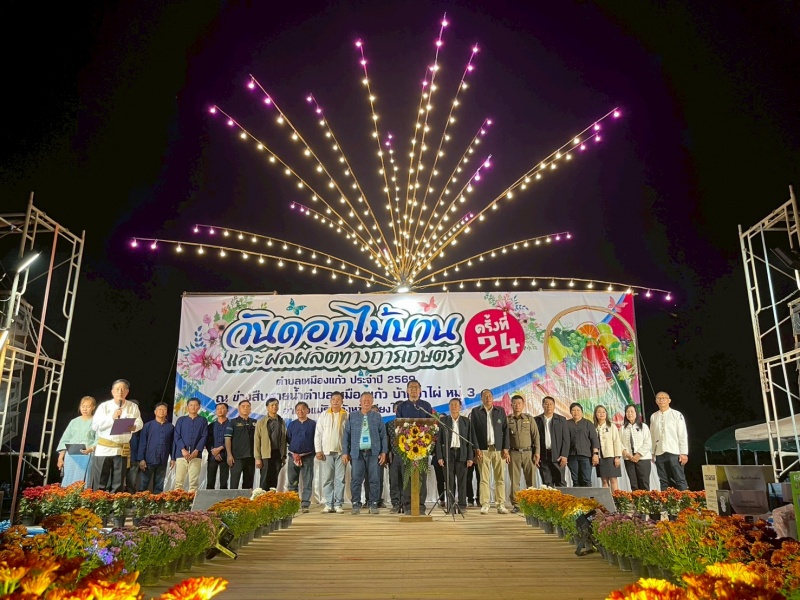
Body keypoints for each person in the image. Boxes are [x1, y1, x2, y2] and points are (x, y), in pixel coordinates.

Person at [90, 379, 143, 492]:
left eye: (123, 389)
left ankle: (115, 502)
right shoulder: (104, 406)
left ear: (127, 392)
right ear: (112, 392)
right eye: (117, 389)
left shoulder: (133, 406)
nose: (120, 391)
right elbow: (95, 426)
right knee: (100, 481)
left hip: (121, 449)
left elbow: (139, 423)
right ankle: (98, 501)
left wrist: (134, 427)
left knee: (118, 482)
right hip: (104, 449)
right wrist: (112, 418)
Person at [342, 392, 387, 514]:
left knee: (374, 479)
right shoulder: (352, 416)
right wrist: (345, 452)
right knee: (356, 479)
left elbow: (383, 436)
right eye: (364, 400)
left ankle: (373, 503)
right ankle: (355, 503)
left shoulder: (377, 416)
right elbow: (346, 435)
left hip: (373, 453)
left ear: (372, 402)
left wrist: (383, 452)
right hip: (357, 453)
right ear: (360, 402)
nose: (366, 402)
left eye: (369, 400)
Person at [469, 389, 510, 514]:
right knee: (484, 479)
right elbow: (473, 431)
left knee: (500, 479)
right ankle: (485, 504)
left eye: (490, 396)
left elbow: (506, 430)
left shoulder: (500, 410)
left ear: (493, 397)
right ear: (481, 398)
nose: (488, 398)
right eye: (485, 396)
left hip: (498, 450)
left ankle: (500, 504)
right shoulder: (476, 411)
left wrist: (506, 448)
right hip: (483, 450)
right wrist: (476, 448)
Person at [396, 379, 434, 512]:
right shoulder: (401, 407)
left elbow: (430, 426)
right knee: (407, 476)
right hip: (406, 448)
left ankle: (421, 505)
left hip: (422, 448)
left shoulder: (426, 405)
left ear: (420, 390)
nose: (413, 389)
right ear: (407, 390)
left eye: (416, 387)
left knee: (422, 476)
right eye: (411, 387)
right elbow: (399, 427)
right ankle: (407, 505)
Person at [434, 398, 476, 513]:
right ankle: (451, 505)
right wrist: (440, 457)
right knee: (449, 481)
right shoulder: (443, 421)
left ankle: (462, 505)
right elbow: (439, 441)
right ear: (449, 407)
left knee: (462, 481)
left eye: (456, 405)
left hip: (462, 454)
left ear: (460, 407)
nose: (454, 407)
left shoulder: (466, 421)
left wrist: (470, 457)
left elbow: (470, 440)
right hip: (448, 454)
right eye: (452, 405)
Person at [315, 391, 348, 513]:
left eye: (338, 399)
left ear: (342, 401)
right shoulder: (324, 415)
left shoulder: (346, 415)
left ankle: (338, 504)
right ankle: (329, 504)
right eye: (333, 399)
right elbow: (318, 434)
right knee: (327, 479)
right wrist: (318, 450)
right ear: (330, 401)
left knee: (340, 479)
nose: (335, 401)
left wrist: (347, 452)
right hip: (326, 453)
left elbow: (349, 435)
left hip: (341, 452)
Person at [507, 395, 541, 513]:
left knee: (531, 480)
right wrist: (506, 452)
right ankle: (516, 505)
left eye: (519, 403)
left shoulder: (529, 419)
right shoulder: (508, 419)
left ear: (523, 405)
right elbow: (505, 438)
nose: (517, 405)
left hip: (528, 453)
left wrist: (537, 453)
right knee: (514, 481)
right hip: (513, 453)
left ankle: (531, 504)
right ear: (511, 405)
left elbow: (536, 436)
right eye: (515, 403)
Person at [650, 391, 689, 491]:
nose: (661, 400)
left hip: (674, 451)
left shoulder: (676, 414)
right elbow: (652, 436)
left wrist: (684, 453)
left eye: (664, 398)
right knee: (663, 480)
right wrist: (652, 453)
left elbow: (682, 434)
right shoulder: (654, 416)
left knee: (679, 478)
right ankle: (666, 499)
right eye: (659, 398)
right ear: (656, 401)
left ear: (669, 400)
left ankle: (685, 499)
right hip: (659, 452)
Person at [56, 396, 97, 487]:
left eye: (88, 406)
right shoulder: (74, 422)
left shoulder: (96, 422)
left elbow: (98, 440)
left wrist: (90, 449)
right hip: (71, 456)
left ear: (93, 407)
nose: (85, 409)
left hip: (87, 455)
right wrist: (60, 458)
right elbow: (65, 440)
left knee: (83, 483)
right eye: (83, 406)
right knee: (69, 482)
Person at [136, 402, 174, 493]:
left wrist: (173, 458)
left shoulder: (171, 427)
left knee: (159, 486)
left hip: (162, 460)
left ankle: (157, 501)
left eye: (164, 409)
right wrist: (141, 459)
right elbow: (142, 443)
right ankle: (141, 501)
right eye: (159, 409)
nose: (162, 411)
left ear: (167, 412)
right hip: (148, 460)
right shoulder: (148, 426)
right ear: (155, 412)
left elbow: (172, 444)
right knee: (143, 484)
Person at [286, 401, 316, 513]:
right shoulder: (292, 424)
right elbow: (288, 438)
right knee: (292, 482)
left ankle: (305, 504)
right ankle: (293, 504)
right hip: (293, 457)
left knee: (307, 481)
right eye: (298, 410)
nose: (300, 411)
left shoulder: (313, 424)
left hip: (308, 456)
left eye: (303, 409)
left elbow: (316, 439)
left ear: (307, 410)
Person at [173, 397, 208, 492]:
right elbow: (177, 435)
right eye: (191, 405)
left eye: (196, 405)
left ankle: (192, 500)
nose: (193, 407)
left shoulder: (203, 420)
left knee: (194, 482)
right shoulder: (181, 420)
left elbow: (204, 436)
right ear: (187, 407)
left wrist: (197, 450)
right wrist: (183, 449)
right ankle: (178, 500)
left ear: (199, 407)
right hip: (181, 454)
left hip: (196, 455)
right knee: (179, 481)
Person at [534, 396, 569, 487]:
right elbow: (534, 439)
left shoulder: (561, 420)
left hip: (558, 457)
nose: (548, 406)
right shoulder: (537, 420)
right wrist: (536, 454)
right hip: (543, 456)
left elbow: (566, 439)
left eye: (551, 404)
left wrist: (564, 455)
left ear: (554, 406)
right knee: (546, 483)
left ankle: (562, 497)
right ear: (542, 405)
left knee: (560, 482)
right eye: (546, 404)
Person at [255, 398, 287, 490]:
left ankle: (272, 497)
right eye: (272, 405)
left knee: (274, 478)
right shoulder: (261, 422)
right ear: (267, 407)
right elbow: (257, 440)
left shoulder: (281, 421)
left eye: (276, 405)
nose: (274, 407)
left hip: (277, 454)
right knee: (264, 479)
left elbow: (284, 440)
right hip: (265, 454)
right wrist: (257, 458)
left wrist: (283, 455)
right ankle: (263, 497)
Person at [565, 402, 599, 487]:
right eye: (573, 410)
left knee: (586, 479)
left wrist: (595, 454)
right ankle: (577, 496)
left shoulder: (588, 423)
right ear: (570, 412)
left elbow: (594, 439)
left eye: (578, 410)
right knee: (575, 480)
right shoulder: (566, 423)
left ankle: (588, 496)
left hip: (585, 456)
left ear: (582, 412)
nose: (576, 412)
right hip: (571, 456)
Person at [226, 399, 257, 489]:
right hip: (236, 458)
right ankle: (233, 499)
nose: (246, 408)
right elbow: (227, 439)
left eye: (248, 406)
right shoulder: (232, 422)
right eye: (243, 406)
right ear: (239, 409)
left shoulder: (255, 422)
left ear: (250, 409)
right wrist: (229, 455)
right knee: (234, 484)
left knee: (248, 485)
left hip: (251, 457)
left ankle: (246, 499)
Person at [621, 404, 652, 491]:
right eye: (627, 412)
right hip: (629, 459)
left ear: (636, 413)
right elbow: (619, 443)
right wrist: (627, 454)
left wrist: (638, 455)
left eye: (632, 411)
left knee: (644, 483)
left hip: (643, 459)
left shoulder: (643, 426)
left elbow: (648, 442)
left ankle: (645, 500)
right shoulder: (622, 428)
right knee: (634, 484)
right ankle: (635, 499)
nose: (629, 413)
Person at [593, 405, 622, 491]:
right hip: (600, 457)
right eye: (599, 412)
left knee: (613, 480)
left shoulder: (612, 426)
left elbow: (616, 441)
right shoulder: (593, 427)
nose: (601, 414)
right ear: (595, 414)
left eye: (603, 412)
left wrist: (617, 457)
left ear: (606, 414)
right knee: (604, 481)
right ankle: (607, 498)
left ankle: (616, 498)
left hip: (611, 457)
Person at [385, 401, 405, 513]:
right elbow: (386, 440)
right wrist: (386, 455)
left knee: (406, 481)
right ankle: (396, 504)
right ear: (394, 410)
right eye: (397, 409)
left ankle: (405, 503)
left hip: (406, 457)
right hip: (394, 456)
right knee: (394, 481)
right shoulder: (389, 424)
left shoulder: (409, 423)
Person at [206, 402, 230, 489]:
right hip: (212, 456)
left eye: (222, 408)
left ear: (227, 411)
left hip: (226, 456)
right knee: (210, 482)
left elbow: (232, 439)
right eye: (218, 409)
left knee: (224, 483)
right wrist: (214, 451)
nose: (220, 410)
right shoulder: (211, 426)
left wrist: (220, 448)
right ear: (216, 411)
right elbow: (208, 441)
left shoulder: (231, 424)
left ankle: (224, 498)